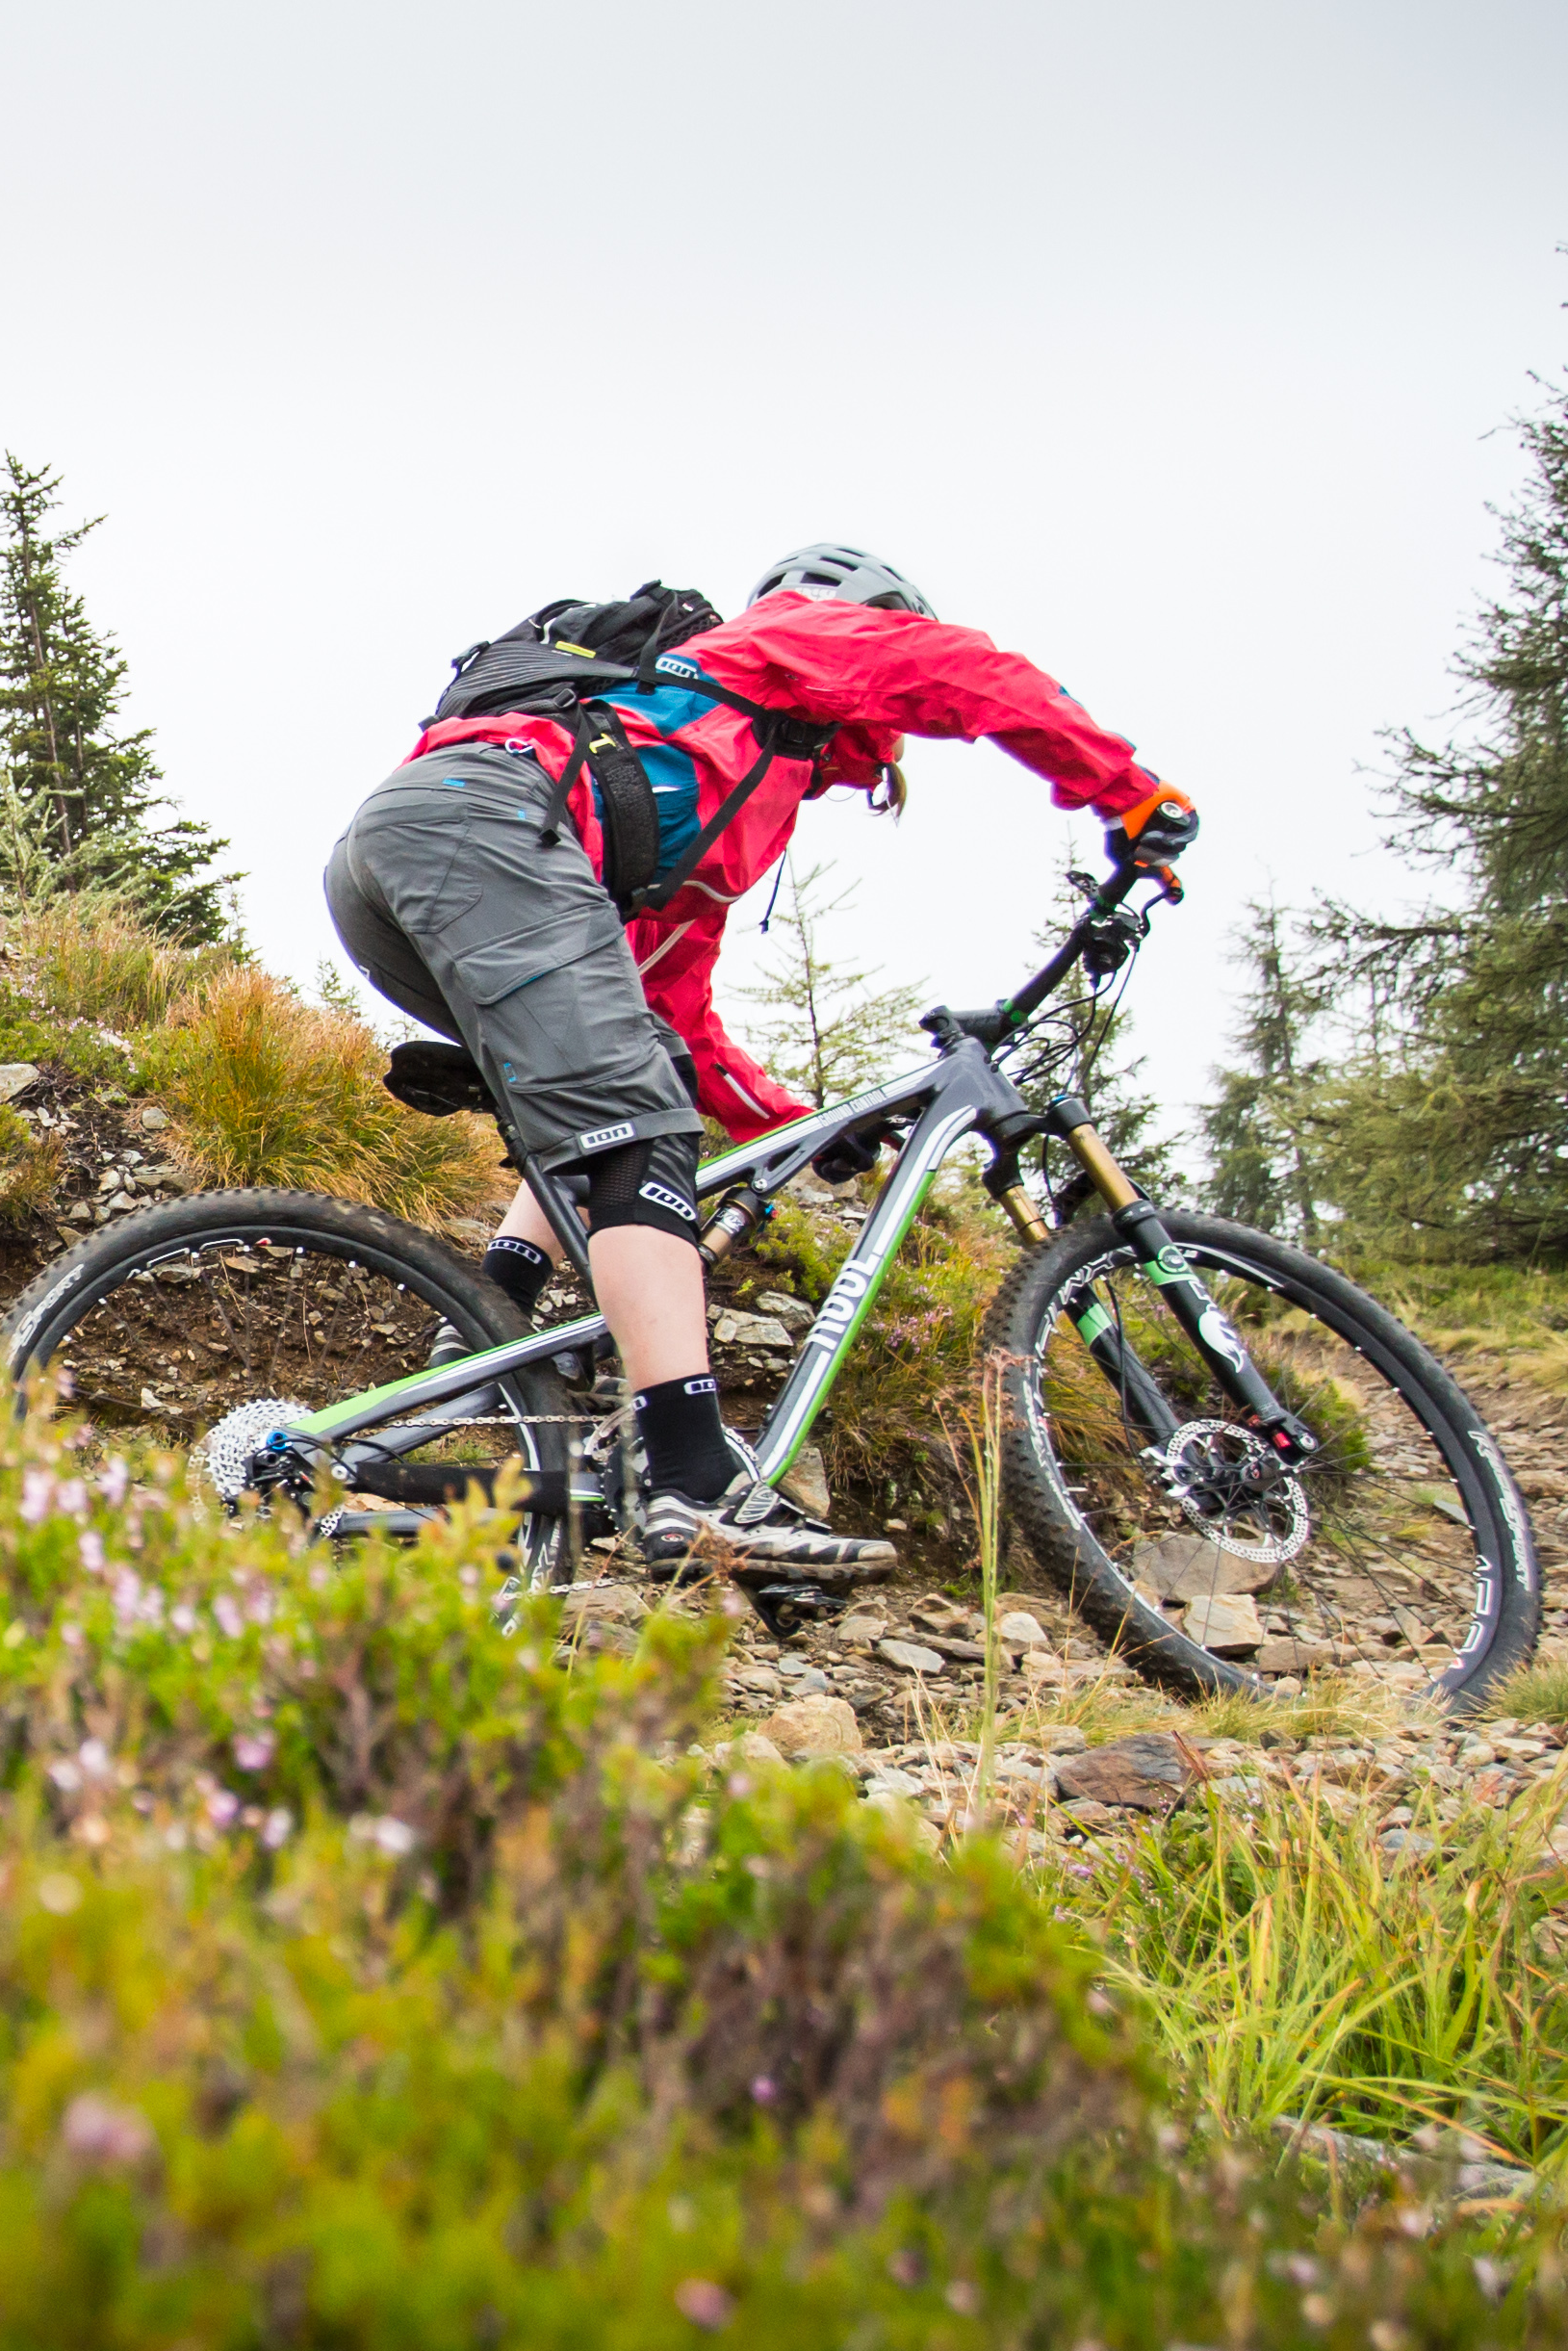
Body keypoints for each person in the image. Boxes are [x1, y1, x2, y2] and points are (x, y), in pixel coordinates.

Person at [322, 541, 1196, 1582]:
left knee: (624, 1076)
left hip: (408, 852)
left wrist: (797, 1130)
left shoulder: (715, 769)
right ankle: (694, 1482)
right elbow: (972, 674)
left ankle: (483, 1336)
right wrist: (1131, 795)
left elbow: (676, 1009)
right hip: (489, 829)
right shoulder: (787, 639)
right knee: (638, 1130)